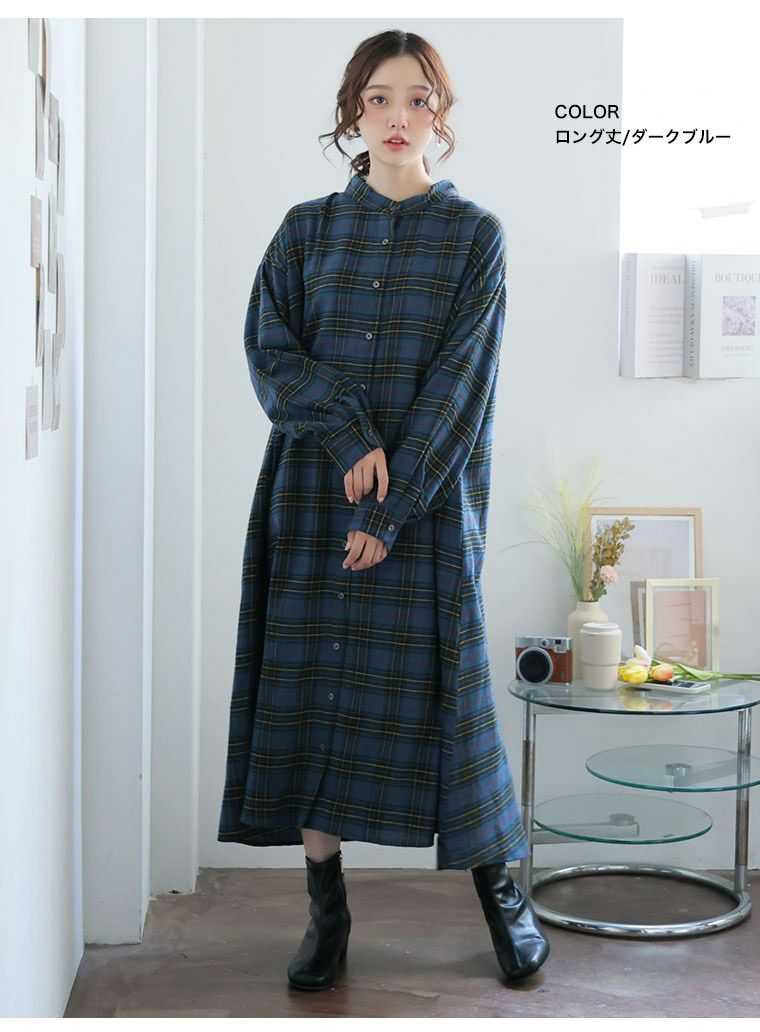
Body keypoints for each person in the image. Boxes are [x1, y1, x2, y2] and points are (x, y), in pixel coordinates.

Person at [217, 28, 550, 991]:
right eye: (378, 99)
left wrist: (390, 506)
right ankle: (327, 913)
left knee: (453, 700)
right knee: (311, 694)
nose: (398, 117)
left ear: (441, 115)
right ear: (352, 111)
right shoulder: (304, 231)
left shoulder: (475, 236)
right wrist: (348, 435)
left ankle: (504, 898)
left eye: (417, 99)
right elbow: (269, 349)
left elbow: (461, 391)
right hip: (312, 500)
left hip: (428, 506)